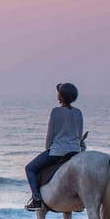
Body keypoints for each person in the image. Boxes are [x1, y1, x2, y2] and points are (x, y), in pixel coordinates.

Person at [24, 83, 84, 211]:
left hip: (58, 151)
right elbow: (79, 134)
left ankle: (36, 199)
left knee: (30, 168)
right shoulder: (78, 112)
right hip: (75, 151)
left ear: (60, 97)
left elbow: (50, 134)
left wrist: (48, 149)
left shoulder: (56, 111)